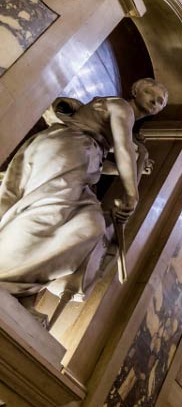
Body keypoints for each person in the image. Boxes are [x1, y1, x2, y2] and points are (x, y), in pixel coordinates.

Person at [0, 78, 168, 323]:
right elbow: (121, 150)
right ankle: (6, 277)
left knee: (90, 227)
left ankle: (21, 286)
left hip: (84, 161)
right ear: (134, 90)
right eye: (150, 93)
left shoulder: (119, 130)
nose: (155, 101)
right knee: (47, 216)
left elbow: (105, 159)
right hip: (68, 148)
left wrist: (134, 168)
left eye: (161, 101)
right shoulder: (120, 107)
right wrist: (132, 191)